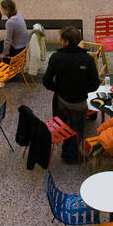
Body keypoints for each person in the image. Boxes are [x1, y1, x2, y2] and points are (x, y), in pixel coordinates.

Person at [42, 27, 100, 164]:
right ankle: (71, 155)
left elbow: (46, 81)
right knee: (78, 128)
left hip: (61, 100)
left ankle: (65, 145)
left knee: (63, 124)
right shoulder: (87, 59)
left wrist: (59, 89)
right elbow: (94, 84)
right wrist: (82, 90)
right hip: (80, 103)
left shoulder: (56, 57)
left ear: (65, 41)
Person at [0, 0, 29, 64]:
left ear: (6, 10)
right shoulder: (18, 14)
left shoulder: (10, 22)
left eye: (2, 8)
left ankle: (4, 66)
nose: (1, 10)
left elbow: (8, 40)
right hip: (24, 46)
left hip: (17, 49)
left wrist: (4, 54)